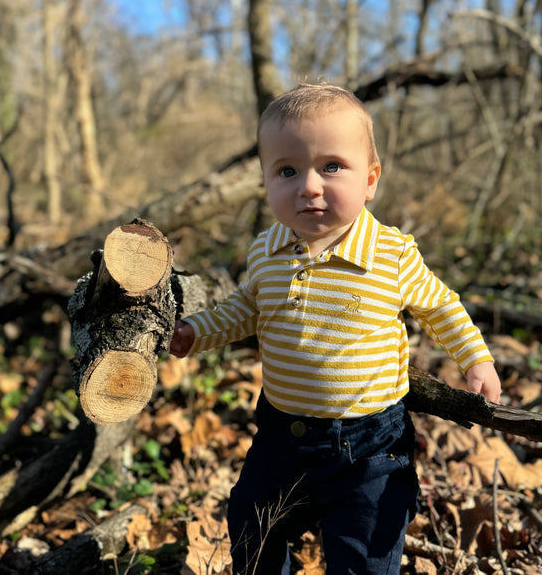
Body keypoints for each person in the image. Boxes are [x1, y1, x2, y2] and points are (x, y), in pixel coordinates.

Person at [170, 84, 501, 575]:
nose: (308, 185)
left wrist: (475, 357)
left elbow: (440, 306)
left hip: (369, 446)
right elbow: (244, 309)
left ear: (370, 180)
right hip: (281, 437)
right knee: (252, 527)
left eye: (331, 167)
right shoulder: (267, 250)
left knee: (364, 551)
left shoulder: (389, 253)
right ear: (266, 182)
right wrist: (195, 332)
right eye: (287, 171)